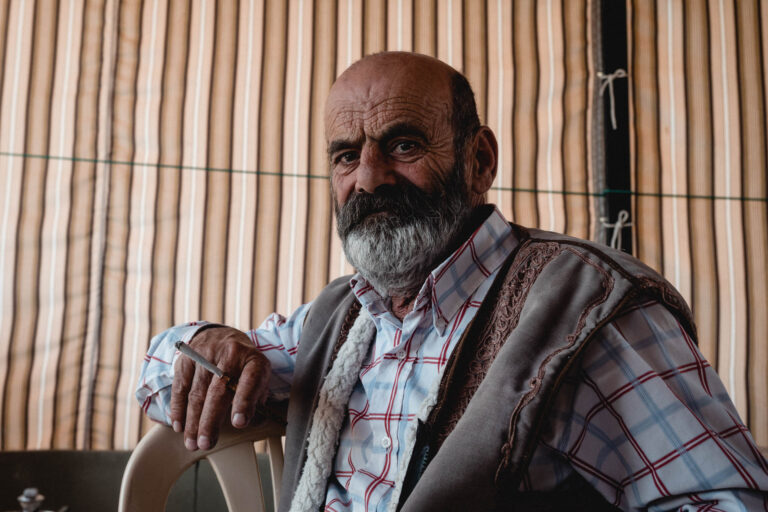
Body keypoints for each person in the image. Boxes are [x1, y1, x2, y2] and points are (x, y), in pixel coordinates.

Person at [137, 52, 768, 512]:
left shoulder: (587, 308)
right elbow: (160, 375)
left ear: (479, 161)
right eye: (346, 155)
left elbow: (726, 501)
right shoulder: (341, 318)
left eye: (403, 145)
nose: (369, 177)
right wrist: (212, 343)